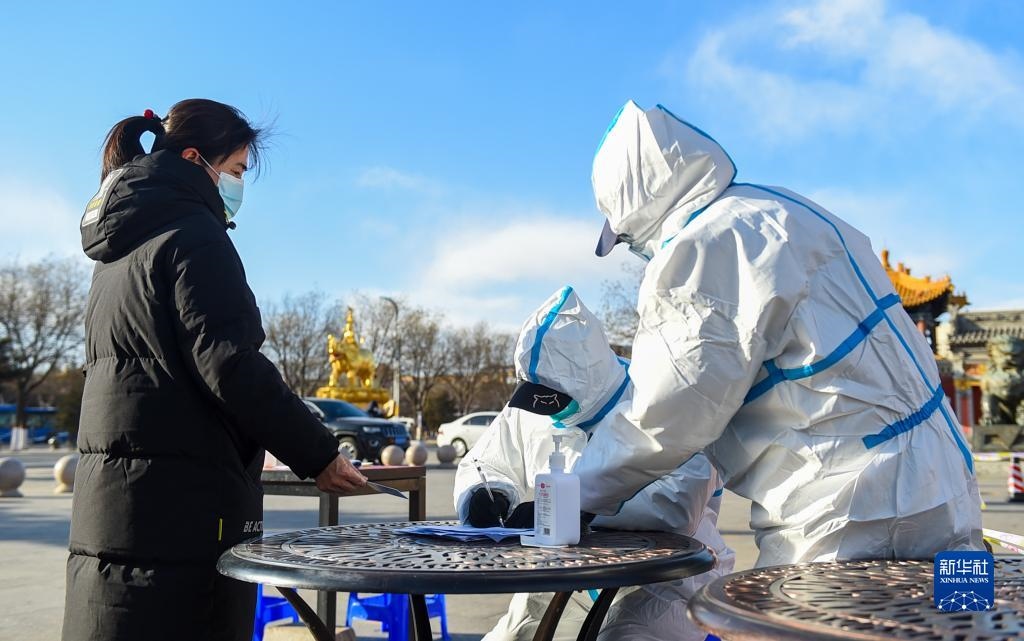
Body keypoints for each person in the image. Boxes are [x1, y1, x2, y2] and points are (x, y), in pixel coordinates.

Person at [571, 100, 983, 567]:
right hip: (947, 482)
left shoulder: (700, 249)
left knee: (801, 610)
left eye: (626, 238)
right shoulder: (782, 207)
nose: (636, 250)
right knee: (960, 605)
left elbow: (665, 413)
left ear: (636, 211)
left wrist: (576, 496)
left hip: (850, 506)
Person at [65, 99, 367, 641]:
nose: (238, 185)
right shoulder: (196, 237)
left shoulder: (115, 256)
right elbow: (231, 364)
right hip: (188, 510)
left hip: (116, 508)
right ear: (193, 159)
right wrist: (318, 453)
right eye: (236, 170)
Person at [455, 287, 734, 641]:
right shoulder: (534, 406)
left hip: (667, 579)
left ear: (589, 380)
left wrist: (571, 509)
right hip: (564, 574)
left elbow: (677, 505)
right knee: (511, 636)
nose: (547, 410)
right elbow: (487, 459)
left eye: (554, 399)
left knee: (623, 637)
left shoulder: (660, 400)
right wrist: (485, 493)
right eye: (537, 397)